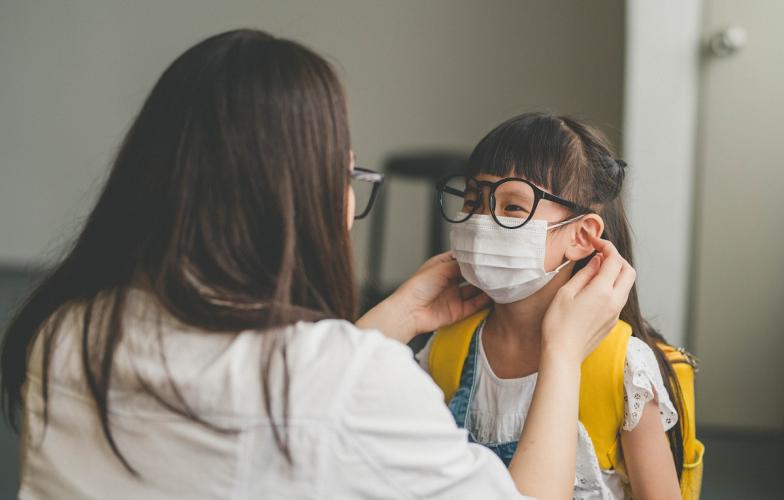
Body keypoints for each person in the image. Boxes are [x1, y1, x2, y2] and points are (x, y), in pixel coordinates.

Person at [1, 31, 634, 499]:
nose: (351, 194)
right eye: (345, 173)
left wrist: (390, 322)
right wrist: (561, 355)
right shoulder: (349, 380)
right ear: (298, 197)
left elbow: (273, 399)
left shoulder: (64, 332)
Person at [419, 113, 689, 499]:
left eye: (512, 207)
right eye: (473, 200)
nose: (481, 221)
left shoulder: (621, 367)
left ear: (581, 236)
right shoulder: (447, 347)